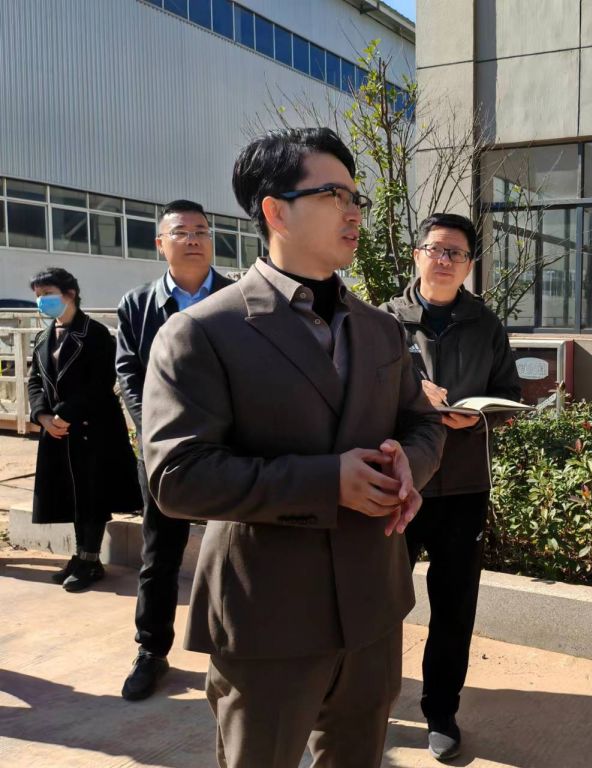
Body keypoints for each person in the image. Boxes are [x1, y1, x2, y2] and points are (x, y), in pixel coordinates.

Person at [141, 126, 445, 768]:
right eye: (335, 195)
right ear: (275, 211)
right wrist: (327, 482)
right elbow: (177, 476)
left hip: (373, 604)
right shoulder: (202, 332)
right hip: (267, 615)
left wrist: (407, 467)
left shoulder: (380, 329)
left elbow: (423, 423)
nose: (354, 211)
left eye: (357, 197)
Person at [382, 212, 521, 761]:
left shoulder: (486, 324)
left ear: (469, 265)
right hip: (398, 481)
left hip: (464, 485)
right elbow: (358, 393)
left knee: (455, 605)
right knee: (379, 599)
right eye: (436, 249)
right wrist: (414, 394)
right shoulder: (383, 322)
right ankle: (370, 699)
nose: (445, 260)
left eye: (456, 253)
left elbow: (508, 395)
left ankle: (441, 710)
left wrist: (479, 417)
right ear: (418, 254)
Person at [116, 200, 234, 701]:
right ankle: (151, 649)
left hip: (229, 448)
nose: (193, 239)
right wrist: (153, 434)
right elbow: (128, 372)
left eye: (202, 231)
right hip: (163, 451)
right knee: (160, 553)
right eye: (181, 231)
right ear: (160, 243)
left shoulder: (237, 296)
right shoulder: (138, 303)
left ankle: (238, 650)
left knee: (236, 551)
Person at [26, 267, 141, 592]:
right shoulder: (44, 337)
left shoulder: (95, 334)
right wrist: (42, 416)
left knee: (92, 494)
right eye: (38, 296)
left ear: (70, 294)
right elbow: (35, 381)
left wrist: (65, 414)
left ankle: (90, 560)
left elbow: (100, 382)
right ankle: (80, 556)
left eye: (48, 294)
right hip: (58, 430)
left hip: (93, 428)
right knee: (71, 495)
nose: (42, 301)